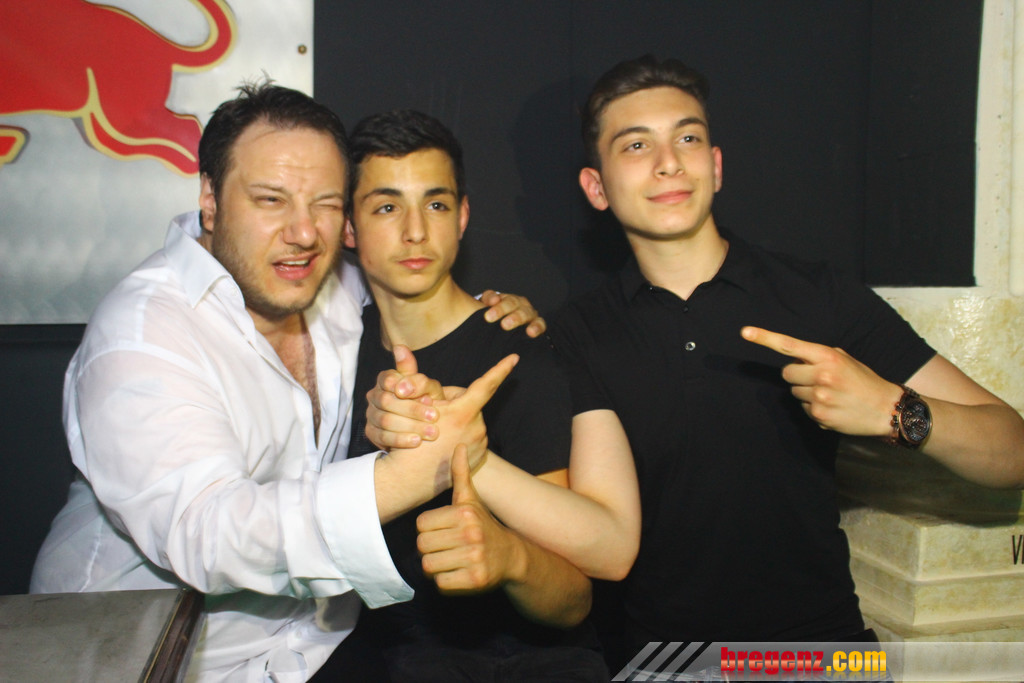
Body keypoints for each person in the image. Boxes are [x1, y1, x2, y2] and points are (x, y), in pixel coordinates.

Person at [367, 55, 1024, 668]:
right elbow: (609, 544)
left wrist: (895, 409)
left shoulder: (816, 295)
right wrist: (466, 453)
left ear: (715, 164)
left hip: (824, 654)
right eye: (635, 146)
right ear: (596, 187)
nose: (667, 164)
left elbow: (1012, 451)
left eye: (686, 139)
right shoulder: (579, 334)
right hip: (669, 664)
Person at [30, 82, 543, 682]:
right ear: (210, 199)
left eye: (325, 203)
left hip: (315, 645)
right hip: (147, 661)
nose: (303, 232)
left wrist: (493, 312)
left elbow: (414, 290)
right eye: (271, 200)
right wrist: (406, 476)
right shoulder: (141, 332)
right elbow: (209, 535)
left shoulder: (336, 285)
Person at [337, 109, 635, 681]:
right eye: (386, 207)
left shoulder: (519, 359)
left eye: (436, 204)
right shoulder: (334, 353)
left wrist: (508, 556)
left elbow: (573, 598)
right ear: (349, 228)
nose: (415, 231)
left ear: (463, 216)